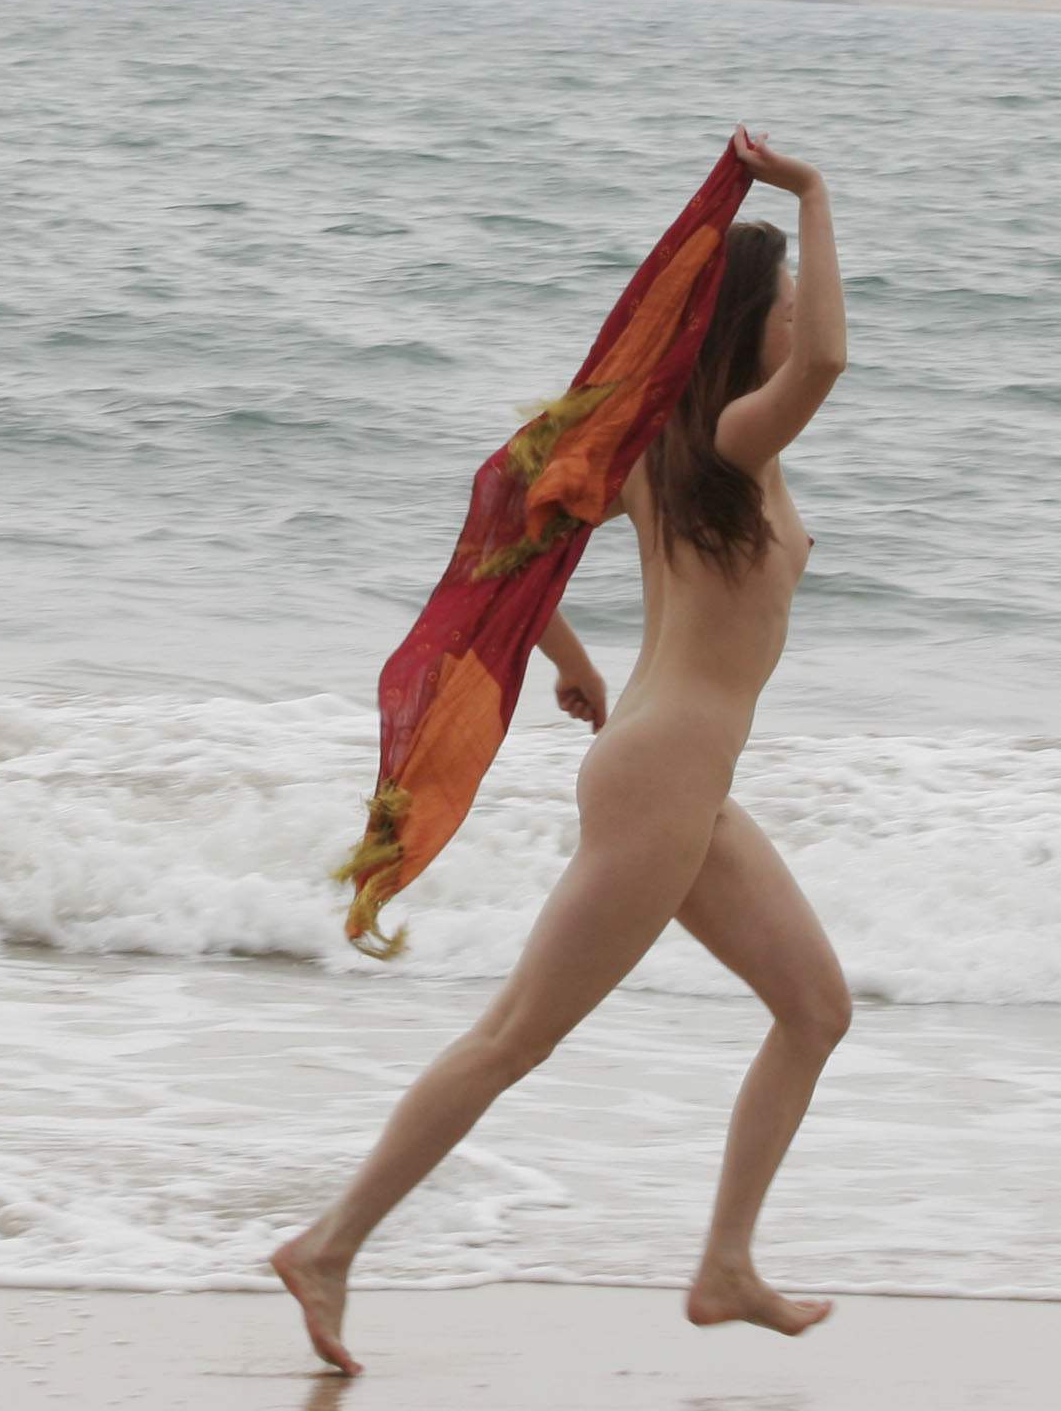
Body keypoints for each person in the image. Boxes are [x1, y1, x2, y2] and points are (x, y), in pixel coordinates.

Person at [272, 128, 852, 1376]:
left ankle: (726, 1265)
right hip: (662, 779)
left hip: (676, 776)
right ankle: (328, 1243)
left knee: (815, 1008)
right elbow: (830, 360)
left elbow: (508, 510)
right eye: (785, 300)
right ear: (744, 324)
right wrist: (810, 189)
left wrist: (570, 659)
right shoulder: (728, 449)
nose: (800, 317)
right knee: (516, 1035)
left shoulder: (658, 450)